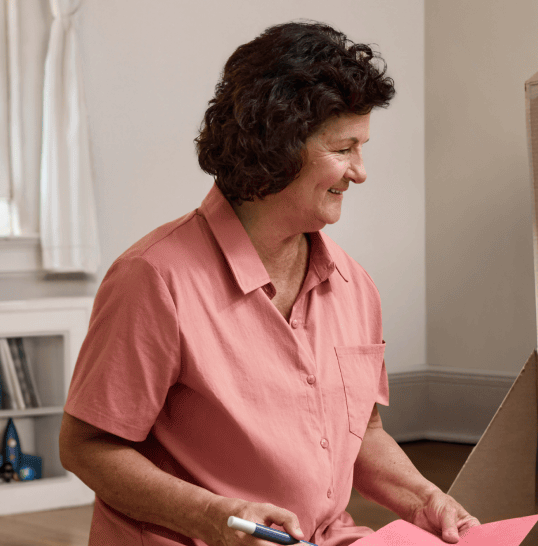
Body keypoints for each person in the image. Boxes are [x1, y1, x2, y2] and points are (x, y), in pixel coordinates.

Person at [59, 20, 478, 546]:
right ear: (279, 147)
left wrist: (425, 500)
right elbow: (87, 446)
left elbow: (361, 434)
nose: (361, 171)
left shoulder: (354, 285)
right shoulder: (154, 278)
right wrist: (214, 518)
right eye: (344, 149)